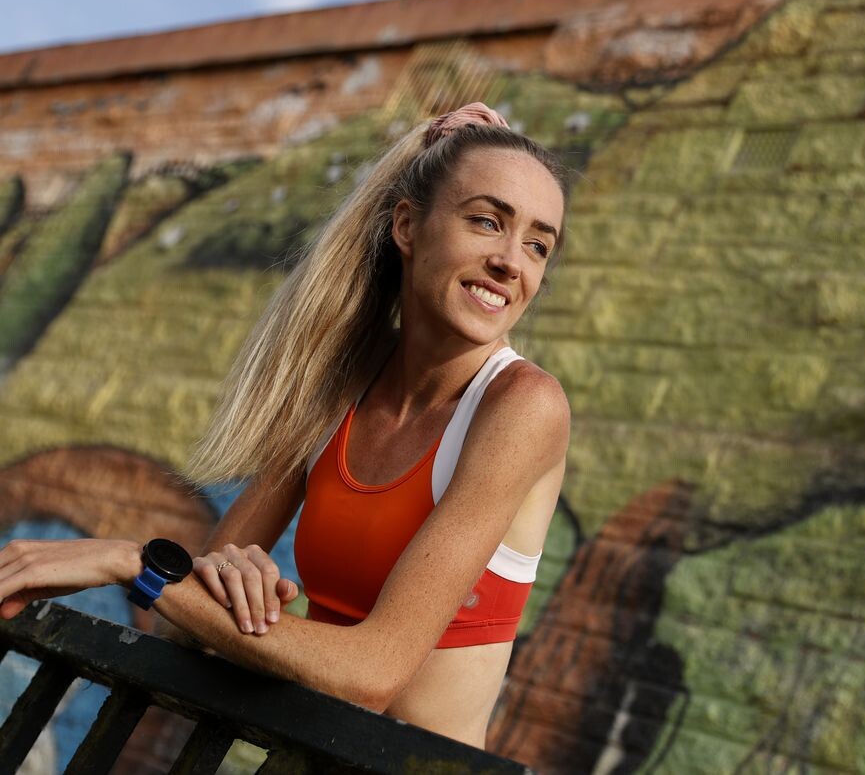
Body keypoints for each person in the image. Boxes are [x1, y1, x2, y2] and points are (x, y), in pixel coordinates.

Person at [0, 102, 573, 750]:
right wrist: (224, 579)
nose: (511, 261)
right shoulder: (346, 384)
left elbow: (370, 673)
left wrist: (137, 564)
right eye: (486, 221)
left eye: (538, 245)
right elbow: (181, 629)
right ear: (407, 226)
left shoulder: (522, 406)